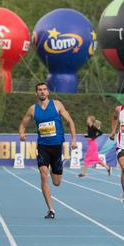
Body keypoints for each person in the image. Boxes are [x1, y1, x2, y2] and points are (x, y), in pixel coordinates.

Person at [19, 82, 77, 219]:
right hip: (43, 147)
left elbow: (70, 122)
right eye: (39, 90)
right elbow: (22, 124)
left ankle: (53, 169)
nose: (42, 92)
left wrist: (73, 139)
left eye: (44, 89)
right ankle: (51, 209)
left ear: (48, 92)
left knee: (56, 182)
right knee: (43, 173)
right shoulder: (33, 109)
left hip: (57, 147)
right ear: (36, 93)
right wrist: (21, 133)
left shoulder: (57, 105)